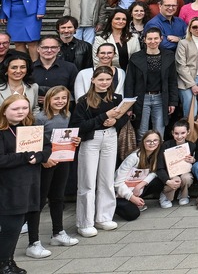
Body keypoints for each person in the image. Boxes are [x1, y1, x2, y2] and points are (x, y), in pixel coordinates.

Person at [69, 66, 125, 234]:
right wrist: (104, 117)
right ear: (92, 80)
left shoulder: (116, 98)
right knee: (88, 181)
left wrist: (115, 122)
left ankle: (104, 217)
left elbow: (123, 120)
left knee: (107, 179)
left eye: (107, 80)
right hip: (91, 140)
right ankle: (85, 222)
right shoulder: (84, 101)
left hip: (110, 137)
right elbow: (78, 126)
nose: (104, 83)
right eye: (100, 79)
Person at [29, 87, 79, 255]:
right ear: (48, 99)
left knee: (58, 197)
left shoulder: (67, 116)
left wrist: (75, 140)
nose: (60, 101)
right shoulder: (40, 118)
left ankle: (58, 232)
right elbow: (35, 141)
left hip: (62, 160)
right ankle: (33, 241)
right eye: (56, 98)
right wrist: (43, 159)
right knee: (40, 200)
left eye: (63, 98)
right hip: (46, 163)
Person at [0, 94, 45, 272]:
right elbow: (1, 159)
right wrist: (26, 157)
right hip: (8, 187)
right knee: (11, 227)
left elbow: (47, 147)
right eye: (15, 108)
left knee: (17, 226)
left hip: (29, 185)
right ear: (4, 111)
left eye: (24, 108)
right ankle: (3, 264)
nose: (21, 112)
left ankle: (9, 261)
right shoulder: (2, 132)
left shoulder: (31, 127)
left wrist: (39, 156)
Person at [124, 28, 179, 138]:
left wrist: (173, 102)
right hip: (142, 98)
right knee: (142, 132)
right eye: (149, 39)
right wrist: (128, 106)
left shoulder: (168, 56)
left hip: (160, 97)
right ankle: (142, 155)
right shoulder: (136, 57)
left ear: (161, 39)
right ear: (144, 40)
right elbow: (130, 82)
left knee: (159, 132)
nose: (152, 41)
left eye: (155, 38)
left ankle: (157, 155)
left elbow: (172, 80)